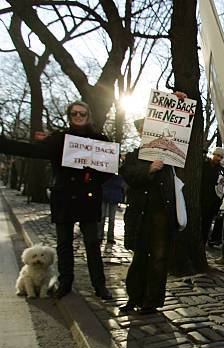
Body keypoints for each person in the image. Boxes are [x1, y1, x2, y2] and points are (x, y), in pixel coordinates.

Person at [0, 101, 113, 300]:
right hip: (64, 198)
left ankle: (99, 285)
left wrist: (93, 180)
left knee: (92, 243)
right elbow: (33, 150)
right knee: (64, 244)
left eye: (82, 113)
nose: (78, 116)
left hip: (88, 199)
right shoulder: (59, 139)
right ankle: (65, 283)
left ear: (88, 115)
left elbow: (109, 168)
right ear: (70, 115)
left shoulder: (99, 139)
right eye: (74, 113)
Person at [119, 124, 178, 314]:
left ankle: (151, 301)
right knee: (139, 258)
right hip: (140, 215)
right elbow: (128, 175)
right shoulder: (134, 156)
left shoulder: (171, 157)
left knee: (159, 258)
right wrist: (149, 169)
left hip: (162, 217)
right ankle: (134, 297)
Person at [201, 147, 224, 254]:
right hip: (200, 200)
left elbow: (221, 190)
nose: (218, 158)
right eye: (217, 155)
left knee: (206, 226)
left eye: (221, 157)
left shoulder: (222, 171)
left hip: (212, 204)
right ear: (213, 154)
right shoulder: (204, 165)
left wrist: (217, 206)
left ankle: (202, 245)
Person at [98, 174, 125, 244]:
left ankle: (105, 237)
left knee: (108, 218)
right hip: (108, 194)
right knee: (105, 217)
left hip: (110, 194)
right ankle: (104, 236)